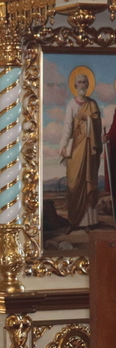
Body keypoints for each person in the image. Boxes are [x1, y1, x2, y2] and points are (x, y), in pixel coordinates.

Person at [60, 73, 103, 233]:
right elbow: (67, 126)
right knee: (73, 183)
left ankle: (89, 223)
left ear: (88, 85)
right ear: (75, 85)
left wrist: (87, 118)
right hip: (75, 148)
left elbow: (97, 126)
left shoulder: (92, 104)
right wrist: (63, 145)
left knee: (88, 182)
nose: (82, 85)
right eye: (79, 82)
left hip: (89, 149)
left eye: (85, 82)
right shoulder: (71, 104)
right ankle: (74, 221)